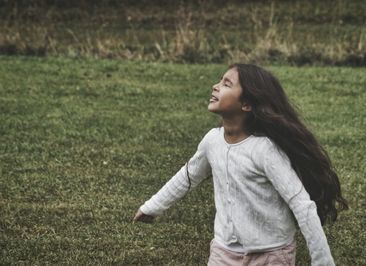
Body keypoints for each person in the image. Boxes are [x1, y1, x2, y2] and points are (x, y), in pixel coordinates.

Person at [133, 64, 348, 265]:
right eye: (219, 81)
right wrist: (152, 207)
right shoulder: (212, 141)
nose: (215, 87)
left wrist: (323, 261)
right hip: (223, 252)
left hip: (272, 254)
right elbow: (187, 176)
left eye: (226, 84)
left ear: (247, 104)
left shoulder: (265, 150)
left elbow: (301, 204)